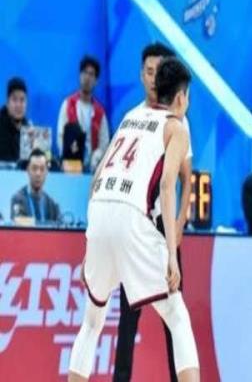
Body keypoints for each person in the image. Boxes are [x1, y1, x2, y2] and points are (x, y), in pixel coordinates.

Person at [68, 56, 199, 382]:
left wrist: (90, 241)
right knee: (177, 315)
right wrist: (171, 255)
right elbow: (167, 186)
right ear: (181, 97)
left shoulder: (130, 116)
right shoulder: (177, 127)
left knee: (92, 321)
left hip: (100, 210)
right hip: (131, 216)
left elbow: (97, 176)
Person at [113, 43, 193, 382]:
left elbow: (186, 179)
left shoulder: (178, 122)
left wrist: (179, 223)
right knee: (128, 314)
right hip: (135, 225)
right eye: (149, 71)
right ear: (141, 74)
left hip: (163, 226)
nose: (154, 78)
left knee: (174, 316)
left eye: (159, 72)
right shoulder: (133, 118)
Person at [57, 55, 110, 172]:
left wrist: (96, 159)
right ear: (80, 75)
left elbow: (104, 144)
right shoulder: (68, 104)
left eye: (91, 74)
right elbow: (61, 136)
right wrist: (67, 158)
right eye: (85, 73)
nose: (87, 78)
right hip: (70, 167)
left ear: (96, 81)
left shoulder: (100, 113)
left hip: (92, 169)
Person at [10, 148, 61, 225]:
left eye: (42, 169)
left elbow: (60, 227)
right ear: (28, 170)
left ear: (47, 172)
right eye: (34, 168)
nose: (38, 174)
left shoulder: (52, 204)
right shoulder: (18, 199)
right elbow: (18, 223)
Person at [0, 77, 30, 163]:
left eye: (22, 100)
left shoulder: (29, 130)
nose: (18, 105)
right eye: (14, 99)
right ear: (7, 103)